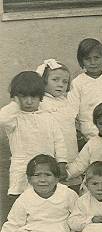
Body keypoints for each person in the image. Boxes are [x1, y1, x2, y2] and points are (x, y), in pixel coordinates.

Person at [0, 155, 77, 232]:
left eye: (47, 175)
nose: (42, 180)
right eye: (37, 175)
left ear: (57, 178)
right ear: (29, 180)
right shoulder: (24, 198)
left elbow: (78, 216)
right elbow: (12, 224)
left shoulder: (68, 194)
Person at [0, 71, 67, 199]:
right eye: (23, 97)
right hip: (22, 167)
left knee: (46, 197)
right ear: (16, 97)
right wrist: (15, 103)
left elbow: (59, 141)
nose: (29, 101)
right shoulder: (14, 118)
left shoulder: (48, 117)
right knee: (22, 199)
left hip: (46, 167)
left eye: (34, 97)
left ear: (40, 97)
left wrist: (61, 162)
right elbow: (2, 119)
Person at [68, 38, 102, 141]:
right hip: (89, 133)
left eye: (96, 58)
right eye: (88, 59)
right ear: (81, 61)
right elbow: (71, 111)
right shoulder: (78, 83)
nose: (93, 62)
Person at [36, 59, 78, 190]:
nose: (60, 84)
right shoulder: (41, 103)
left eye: (65, 82)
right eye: (55, 80)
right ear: (43, 81)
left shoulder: (66, 102)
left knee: (68, 186)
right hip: (52, 151)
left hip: (69, 148)